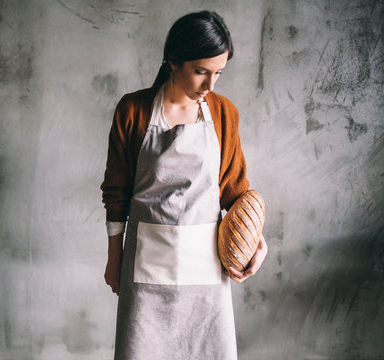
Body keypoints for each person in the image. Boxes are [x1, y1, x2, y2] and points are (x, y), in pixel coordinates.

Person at [100, 11, 268, 360]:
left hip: (206, 270)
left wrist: (256, 241)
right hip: (146, 269)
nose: (210, 86)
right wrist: (114, 258)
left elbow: (235, 191)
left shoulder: (224, 114)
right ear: (173, 62)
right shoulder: (133, 111)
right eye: (201, 71)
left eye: (218, 73)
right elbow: (116, 193)